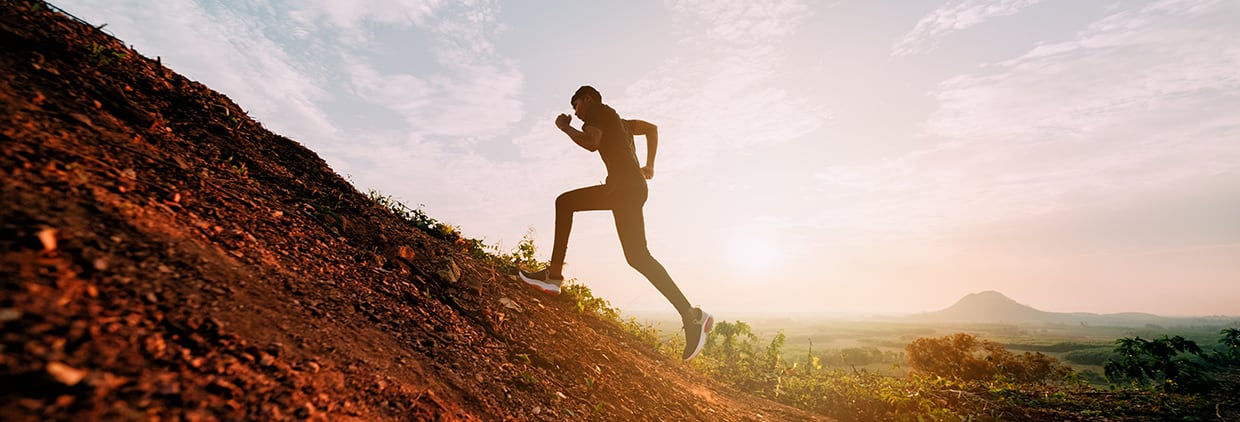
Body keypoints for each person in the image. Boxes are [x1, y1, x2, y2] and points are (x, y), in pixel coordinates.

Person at [519, 86, 713, 361]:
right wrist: (650, 166)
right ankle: (692, 316)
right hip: (630, 189)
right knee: (637, 257)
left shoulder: (597, 113)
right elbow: (652, 129)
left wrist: (565, 128)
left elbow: (591, 143)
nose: (575, 112)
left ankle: (553, 277)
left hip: (622, 190)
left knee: (565, 203)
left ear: (587, 100)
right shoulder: (620, 122)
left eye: (576, 105)